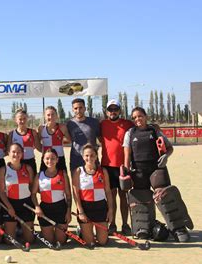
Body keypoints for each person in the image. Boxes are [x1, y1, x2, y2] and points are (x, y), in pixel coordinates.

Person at [123, 107, 186, 240]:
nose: (137, 119)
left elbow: (169, 148)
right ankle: (143, 227)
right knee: (142, 200)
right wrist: (126, 170)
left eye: (140, 116)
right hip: (138, 171)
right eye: (134, 117)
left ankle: (178, 228)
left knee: (165, 197)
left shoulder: (154, 130)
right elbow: (127, 154)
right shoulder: (130, 133)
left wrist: (166, 156)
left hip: (156, 169)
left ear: (145, 116)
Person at [100, 99, 134, 235]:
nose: (113, 112)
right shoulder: (102, 124)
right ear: (106, 111)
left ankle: (125, 225)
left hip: (122, 167)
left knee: (123, 196)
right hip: (107, 166)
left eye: (115, 109)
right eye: (110, 109)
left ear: (120, 110)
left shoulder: (127, 124)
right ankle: (112, 224)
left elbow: (141, 126)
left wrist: (155, 127)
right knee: (111, 197)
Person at [72, 144, 113, 247]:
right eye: (86, 155)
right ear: (83, 156)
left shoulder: (103, 171)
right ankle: (81, 231)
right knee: (90, 243)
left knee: (102, 242)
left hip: (100, 207)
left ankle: (96, 233)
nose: (89, 158)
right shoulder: (78, 171)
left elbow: (108, 191)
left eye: (92, 155)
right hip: (85, 208)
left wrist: (110, 210)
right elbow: (76, 193)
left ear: (96, 156)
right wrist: (80, 211)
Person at [32, 148, 72, 244]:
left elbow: (68, 196)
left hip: (60, 209)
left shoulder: (63, 174)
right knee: (49, 241)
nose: (50, 161)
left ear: (57, 159)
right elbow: (33, 194)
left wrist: (68, 211)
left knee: (60, 241)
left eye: (53, 158)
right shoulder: (39, 176)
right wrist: (37, 207)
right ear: (43, 160)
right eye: (47, 158)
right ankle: (45, 231)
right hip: (45, 210)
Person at [0, 143, 35, 243]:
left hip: (26, 204)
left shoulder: (28, 168)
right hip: (10, 204)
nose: (16, 154)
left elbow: (32, 188)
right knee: (10, 242)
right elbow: (1, 192)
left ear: (22, 154)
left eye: (19, 152)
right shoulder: (3, 170)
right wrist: (9, 207)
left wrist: (36, 205)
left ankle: (20, 229)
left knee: (29, 240)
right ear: (9, 153)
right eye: (13, 152)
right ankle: (15, 228)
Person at [66, 98, 100, 176]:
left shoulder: (94, 122)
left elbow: (101, 139)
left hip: (91, 158)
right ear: (72, 109)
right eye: (75, 108)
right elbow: (66, 139)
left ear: (85, 108)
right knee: (76, 184)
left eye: (80, 108)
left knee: (94, 184)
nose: (78, 110)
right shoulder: (69, 124)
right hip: (75, 159)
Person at [7, 108, 41, 174]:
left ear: (27, 119)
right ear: (16, 120)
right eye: (20, 119)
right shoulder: (11, 134)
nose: (22, 121)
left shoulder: (32, 132)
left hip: (30, 162)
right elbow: (8, 150)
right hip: (17, 162)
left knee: (32, 183)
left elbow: (38, 147)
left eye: (24, 118)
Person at [38, 106, 70, 172]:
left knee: (63, 178)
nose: (51, 117)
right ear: (45, 116)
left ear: (56, 116)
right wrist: (44, 151)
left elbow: (69, 140)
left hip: (59, 157)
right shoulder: (41, 128)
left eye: (53, 114)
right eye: (48, 115)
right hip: (46, 159)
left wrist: (59, 142)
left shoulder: (62, 127)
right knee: (43, 178)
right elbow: (37, 143)